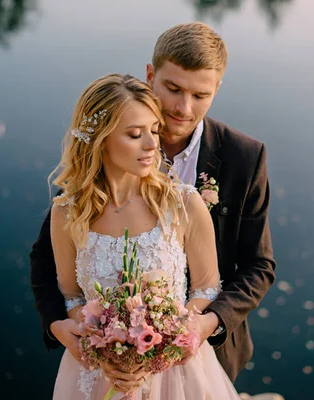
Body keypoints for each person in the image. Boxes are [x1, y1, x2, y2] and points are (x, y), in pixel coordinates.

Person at [30, 21, 276, 387]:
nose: (182, 108)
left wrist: (201, 325)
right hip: (105, 360)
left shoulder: (245, 157)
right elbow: (47, 259)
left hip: (204, 351)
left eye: (200, 95)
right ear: (150, 75)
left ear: (217, 89)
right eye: (173, 88)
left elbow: (258, 265)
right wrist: (71, 329)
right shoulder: (111, 146)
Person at [47, 73, 241, 399]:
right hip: (99, 374)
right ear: (100, 139)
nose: (153, 144)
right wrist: (108, 344)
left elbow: (207, 287)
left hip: (176, 373)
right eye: (136, 134)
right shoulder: (67, 212)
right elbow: (72, 298)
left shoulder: (183, 203)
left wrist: (161, 342)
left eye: (154, 130)